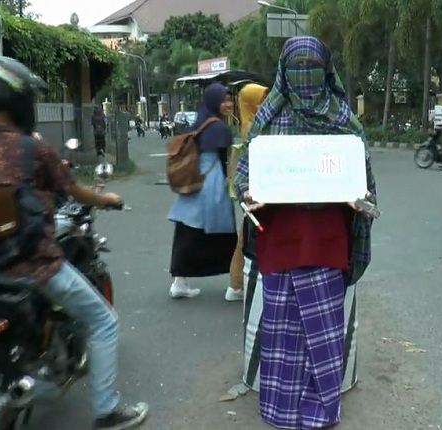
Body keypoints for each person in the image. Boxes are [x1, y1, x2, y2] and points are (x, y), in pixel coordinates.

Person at [0, 55, 148, 430]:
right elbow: (70, 189)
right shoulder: (32, 148)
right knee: (104, 322)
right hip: (36, 264)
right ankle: (107, 411)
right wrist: (106, 198)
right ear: (17, 100)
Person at [234, 36, 377, 430]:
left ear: (325, 71)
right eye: (297, 70)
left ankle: (322, 409)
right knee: (281, 328)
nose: (305, 78)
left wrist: (358, 198)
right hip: (280, 239)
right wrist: (248, 193)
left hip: (327, 239)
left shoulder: (344, 119)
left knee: (324, 330)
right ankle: (281, 409)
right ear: (283, 73)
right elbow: (244, 176)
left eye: (312, 69)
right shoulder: (266, 120)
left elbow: (362, 179)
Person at [167, 83, 237, 298]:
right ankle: (236, 286)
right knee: (225, 234)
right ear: (215, 101)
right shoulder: (219, 128)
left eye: (229, 99)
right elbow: (227, 161)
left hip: (196, 179)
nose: (229, 104)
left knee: (187, 231)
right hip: (212, 179)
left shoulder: (200, 119)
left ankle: (179, 282)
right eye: (224, 100)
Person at [226, 83, 268, 302]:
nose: (264, 104)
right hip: (253, 188)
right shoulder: (253, 125)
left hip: (252, 187)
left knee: (246, 235)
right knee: (247, 237)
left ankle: (236, 285)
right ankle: (237, 284)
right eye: (260, 100)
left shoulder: (248, 121)